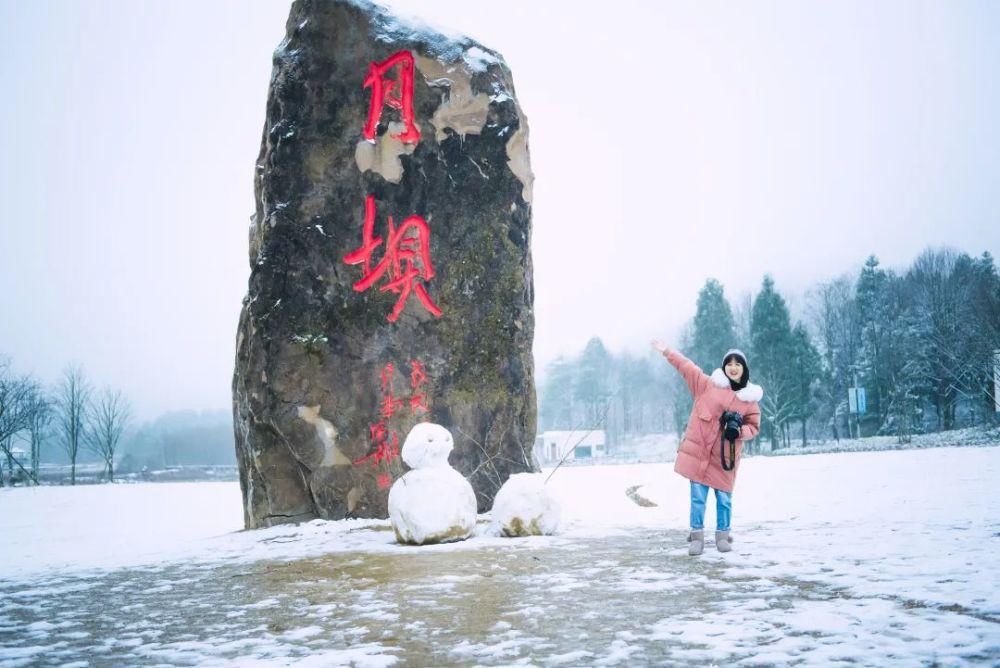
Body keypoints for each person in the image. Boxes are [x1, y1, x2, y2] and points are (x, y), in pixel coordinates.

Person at [651, 341, 763, 555]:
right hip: (699, 456)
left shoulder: (749, 401)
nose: (733, 367)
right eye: (729, 363)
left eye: (737, 363)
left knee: (724, 499)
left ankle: (722, 536)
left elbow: (754, 427)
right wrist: (667, 351)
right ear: (724, 367)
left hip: (725, 458)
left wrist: (738, 431)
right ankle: (697, 537)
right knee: (697, 498)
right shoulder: (706, 385)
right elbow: (686, 367)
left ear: (744, 369)